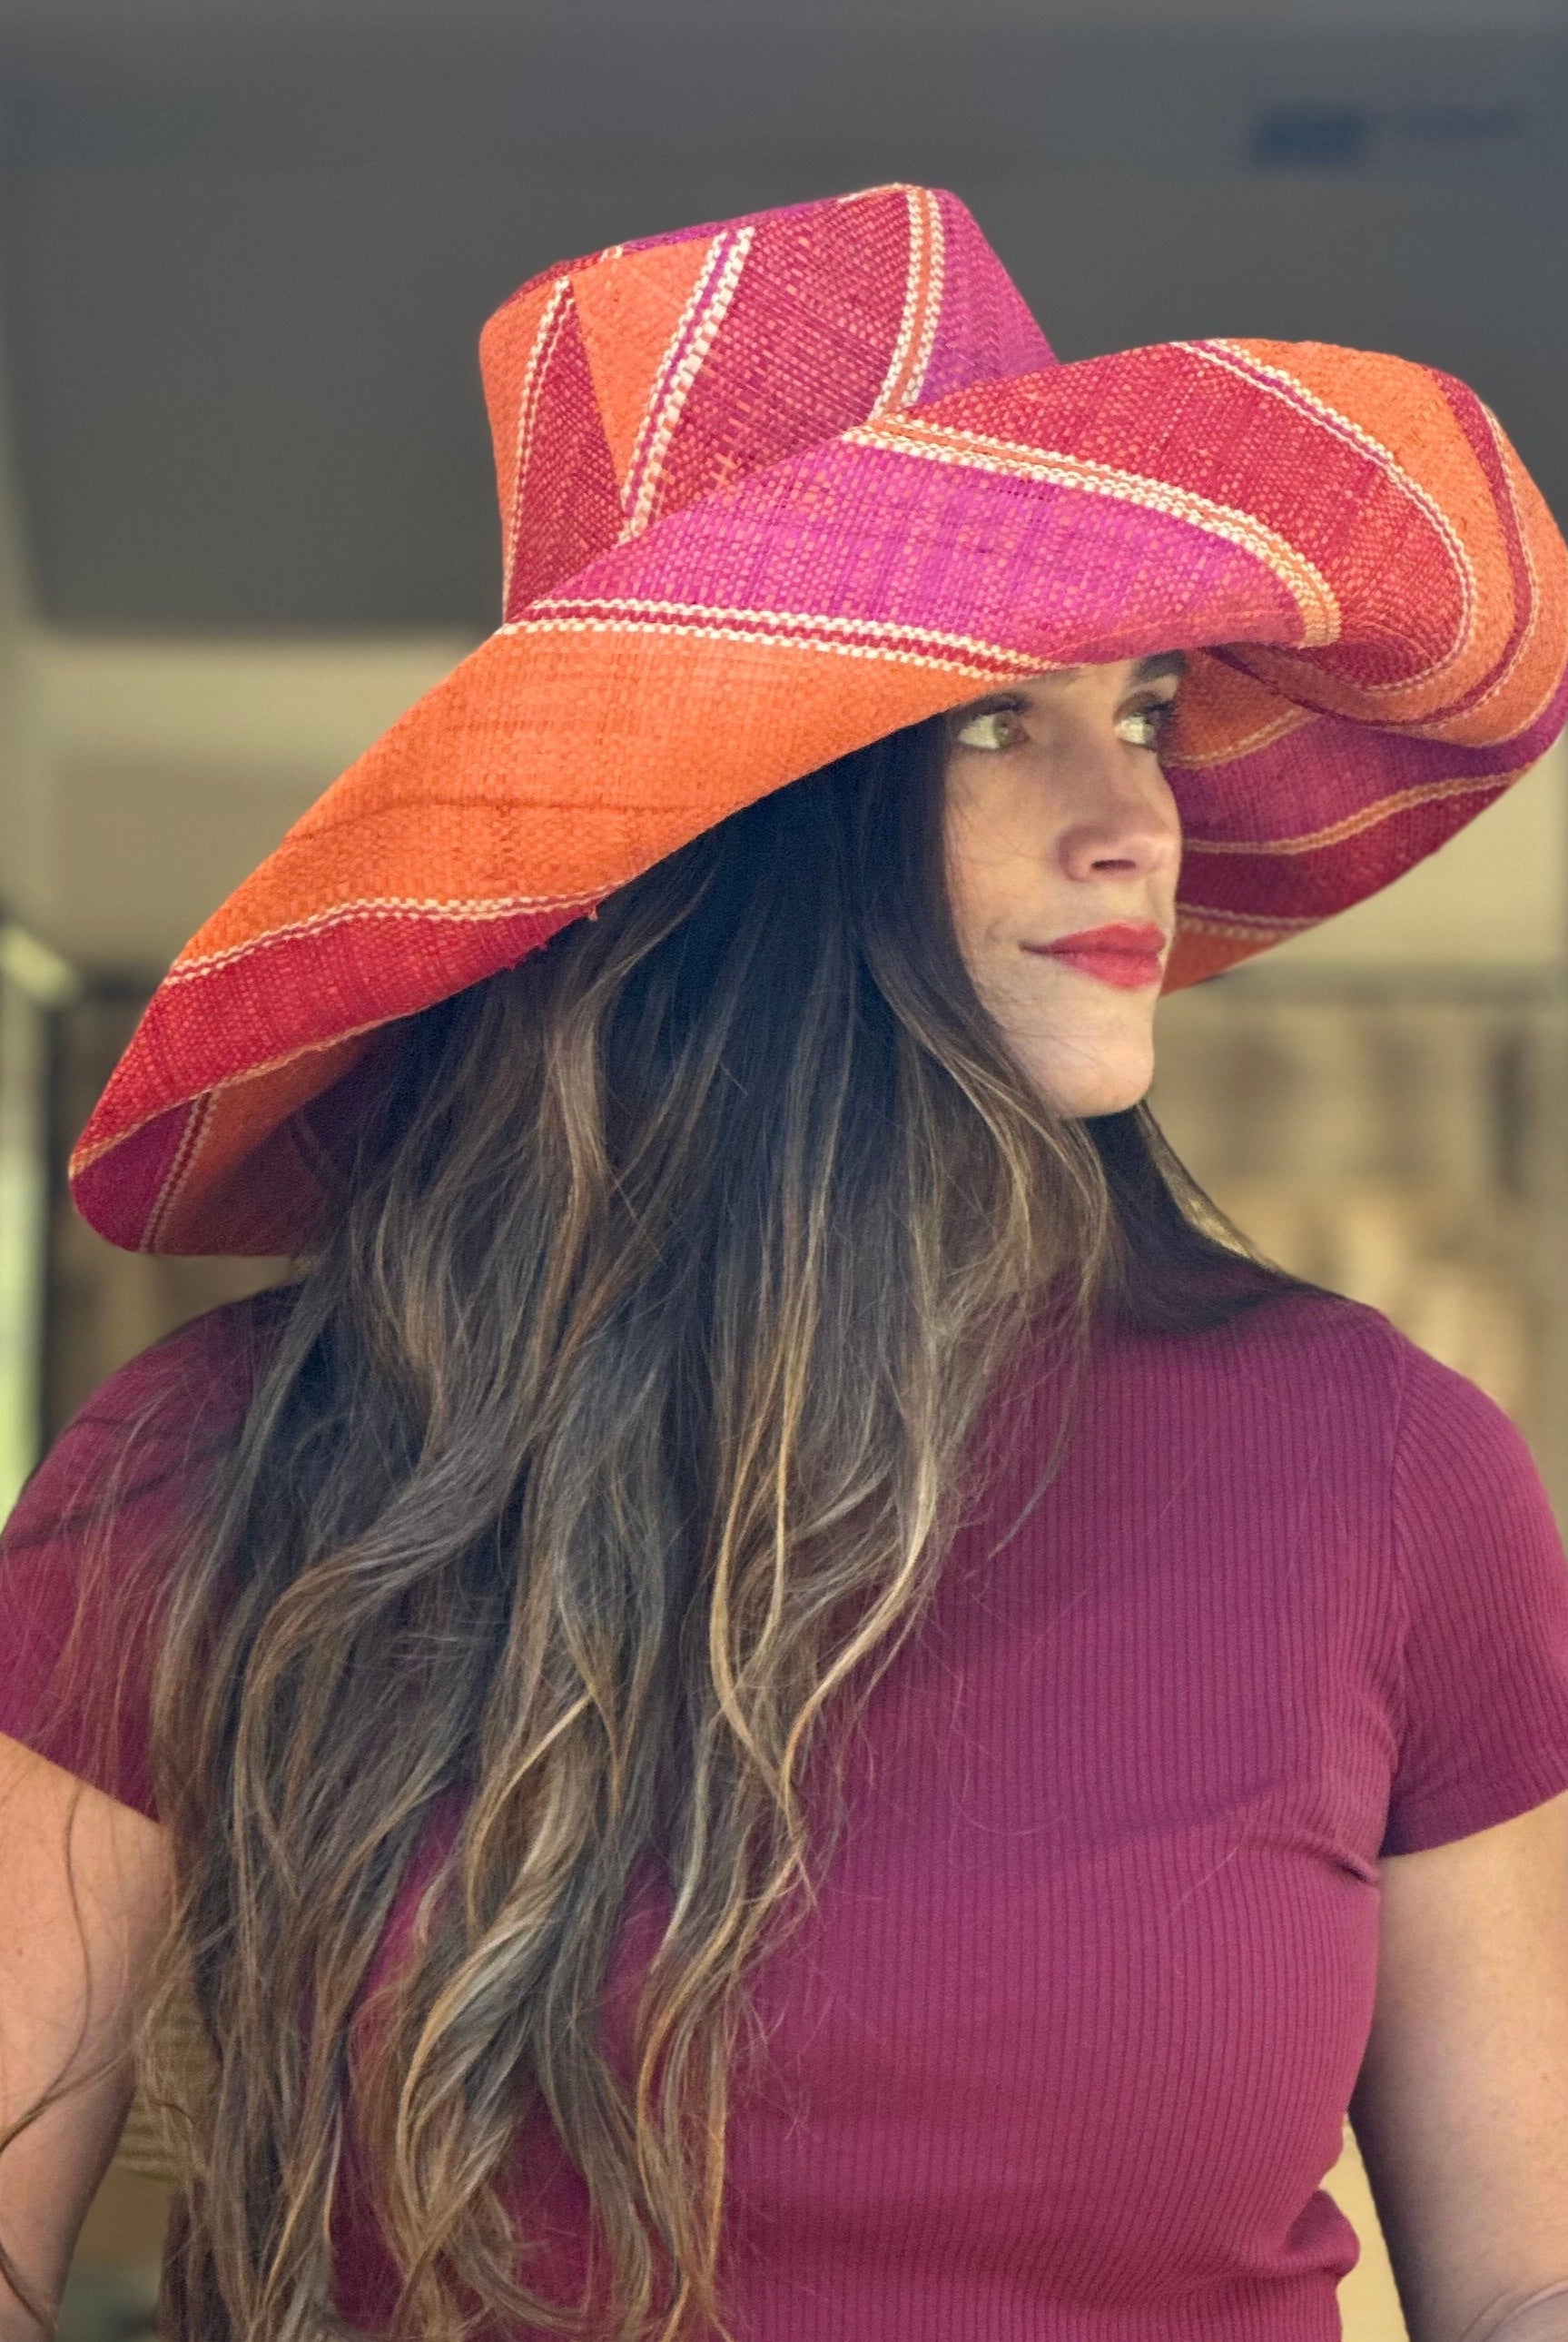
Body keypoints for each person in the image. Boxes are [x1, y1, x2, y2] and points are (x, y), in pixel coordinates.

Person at [4, 182, 1568, 2342]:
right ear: (714, 827)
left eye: (1143, 704)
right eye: (995, 722)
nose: (1139, 816)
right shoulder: (210, 1471)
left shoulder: (1392, 1470)